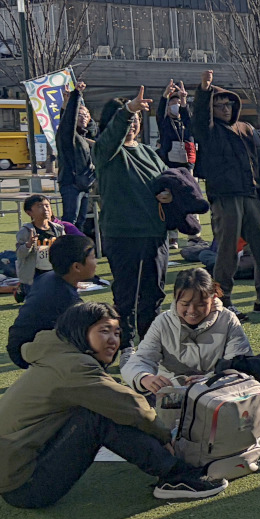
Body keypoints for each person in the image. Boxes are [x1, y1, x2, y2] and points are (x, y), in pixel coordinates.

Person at [0, 302, 227, 508]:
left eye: (117, 333)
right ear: (80, 331)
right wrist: (164, 436)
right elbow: (130, 406)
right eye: (104, 331)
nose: (113, 340)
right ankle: (176, 476)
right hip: (26, 486)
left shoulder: (58, 355)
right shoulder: (73, 366)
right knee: (100, 416)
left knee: (102, 408)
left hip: (15, 472)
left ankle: (170, 468)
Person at [194, 70, 260, 316]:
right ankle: (223, 301)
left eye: (228, 104)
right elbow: (200, 119)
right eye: (219, 105)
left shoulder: (247, 129)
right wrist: (204, 92)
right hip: (225, 196)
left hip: (250, 194)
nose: (225, 109)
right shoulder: (210, 131)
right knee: (227, 252)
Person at [94, 88, 173, 349]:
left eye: (137, 119)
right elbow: (112, 136)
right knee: (126, 297)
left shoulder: (149, 153)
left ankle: (151, 345)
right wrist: (127, 111)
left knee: (154, 295)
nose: (133, 124)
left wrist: (169, 194)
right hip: (123, 234)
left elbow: (169, 181)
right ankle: (126, 346)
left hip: (155, 234)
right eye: (129, 119)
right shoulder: (105, 151)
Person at [122, 267, 255, 393]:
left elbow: (241, 365)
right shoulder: (163, 322)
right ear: (175, 299)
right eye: (185, 304)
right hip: (171, 394)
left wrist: (211, 379)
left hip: (218, 394)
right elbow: (140, 359)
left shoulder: (228, 319)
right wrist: (144, 377)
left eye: (201, 305)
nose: (192, 311)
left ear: (213, 298)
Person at [7, 234, 95, 368]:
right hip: (27, 349)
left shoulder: (47, 277)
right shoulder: (68, 299)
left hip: (18, 343)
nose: (96, 262)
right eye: (93, 257)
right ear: (77, 267)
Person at [56, 84, 97, 228]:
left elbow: (93, 129)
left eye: (86, 115)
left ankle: (77, 241)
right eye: (80, 115)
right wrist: (75, 97)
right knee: (70, 220)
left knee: (81, 221)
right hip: (71, 183)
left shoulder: (88, 136)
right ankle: (66, 242)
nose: (83, 117)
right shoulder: (67, 136)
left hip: (85, 184)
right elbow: (67, 121)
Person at [16, 194, 73, 289]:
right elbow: (20, 254)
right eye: (39, 206)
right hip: (34, 275)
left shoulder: (58, 229)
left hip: (54, 271)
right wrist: (28, 245)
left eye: (47, 205)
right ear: (29, 212)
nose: (45, 209)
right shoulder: (26, 231)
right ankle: (22, 290)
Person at [155, 80, 191, 167]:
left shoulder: (185, 123)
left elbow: (187, 117)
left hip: (185, 164)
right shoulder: (165, 122)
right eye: (173, 103)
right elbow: (160, 113)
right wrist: (165, 95)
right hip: (168, 164)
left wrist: (183, 99)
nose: (176, 105)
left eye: (178, 103)